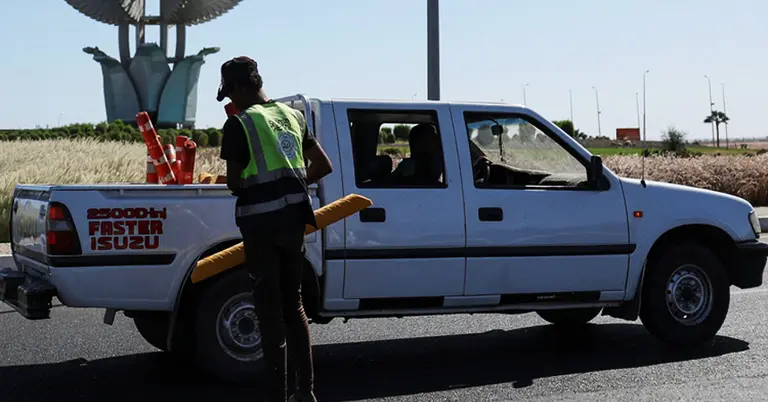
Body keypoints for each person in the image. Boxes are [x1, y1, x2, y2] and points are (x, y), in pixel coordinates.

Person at [217, 56, 333, 402]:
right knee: (294, 306)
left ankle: (276, 396)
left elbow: (235, 183)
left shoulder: (240, 124)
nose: (230, 101)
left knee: (269, 313)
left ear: (240, 87)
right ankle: (305, 392)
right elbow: (322, 165)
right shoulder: (293, 116)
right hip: (293, 223)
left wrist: (254, 185)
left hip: (261, 226)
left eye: (229, 94)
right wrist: (292, 185)